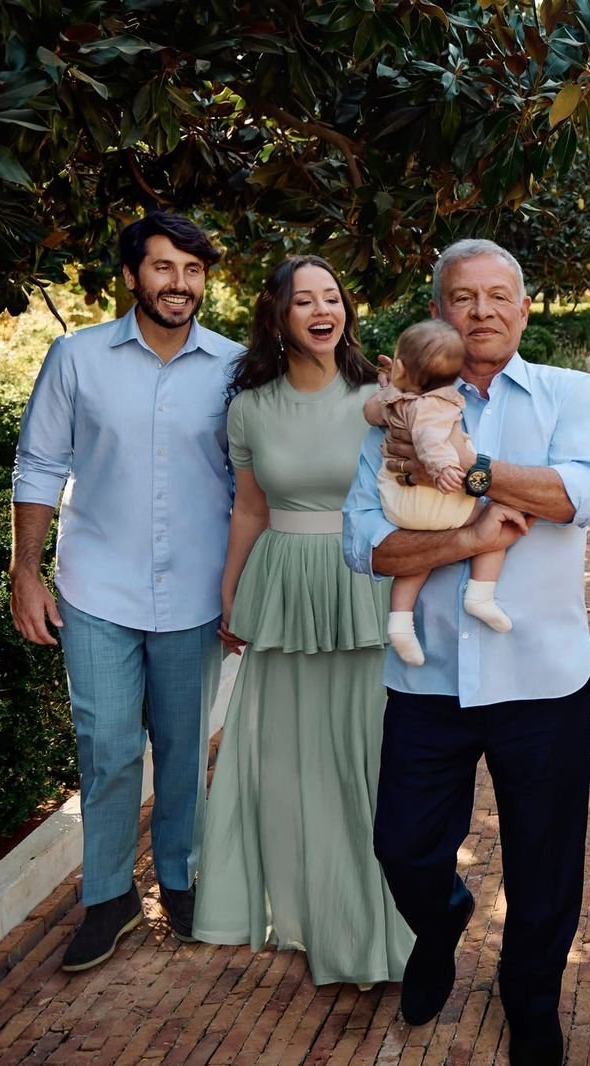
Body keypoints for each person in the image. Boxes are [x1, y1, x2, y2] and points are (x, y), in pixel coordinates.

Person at [344, 238, 590, 1066]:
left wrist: (468, 468)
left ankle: (530, 997)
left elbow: (576, 495)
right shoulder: (399, 407)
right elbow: (367, 546)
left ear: (525, 309)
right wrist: (468, 539)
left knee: (544, 863)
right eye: (464, 298)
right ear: (439, 311)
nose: (483, 312)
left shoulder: (570, 392)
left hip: (543, 673)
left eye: (500, 296)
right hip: (426, 672)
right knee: (404, 848)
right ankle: (441, 920)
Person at [11, 212, 240, 972]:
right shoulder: (76, 359)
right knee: (108, 749)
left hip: (196, 594)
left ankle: (180, 880)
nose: (180, 284)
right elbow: (39, 465)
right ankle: (107, 898)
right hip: (96, 589)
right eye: (164, 268)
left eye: (193, 270)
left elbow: (254, 487)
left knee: (182, 751)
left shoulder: (235, 367)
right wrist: (25, 571)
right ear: (133, 276)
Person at [191, 255, 413, 988]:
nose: (324, 310)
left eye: (333, 296)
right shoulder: (249, 407)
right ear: (278, 316)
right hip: (284, 594)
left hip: (364, 589)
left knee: (370, 770)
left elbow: (412, 500)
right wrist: (231, 596)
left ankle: (388, 936)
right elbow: (249, 510)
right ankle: (322, 926)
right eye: (304, 300)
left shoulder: (378, 398)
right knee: (292, 773)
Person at [363, 318, 519, 666]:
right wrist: (445, 469)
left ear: (400, 366)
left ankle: (400, 623)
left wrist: (390, 389)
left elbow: (370, 412)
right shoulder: (437, 403)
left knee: (419, 557)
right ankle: (481, 594)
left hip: (399, 500)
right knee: (498, 520)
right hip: (438, 499)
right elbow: (430, 439)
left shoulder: (394, 400)